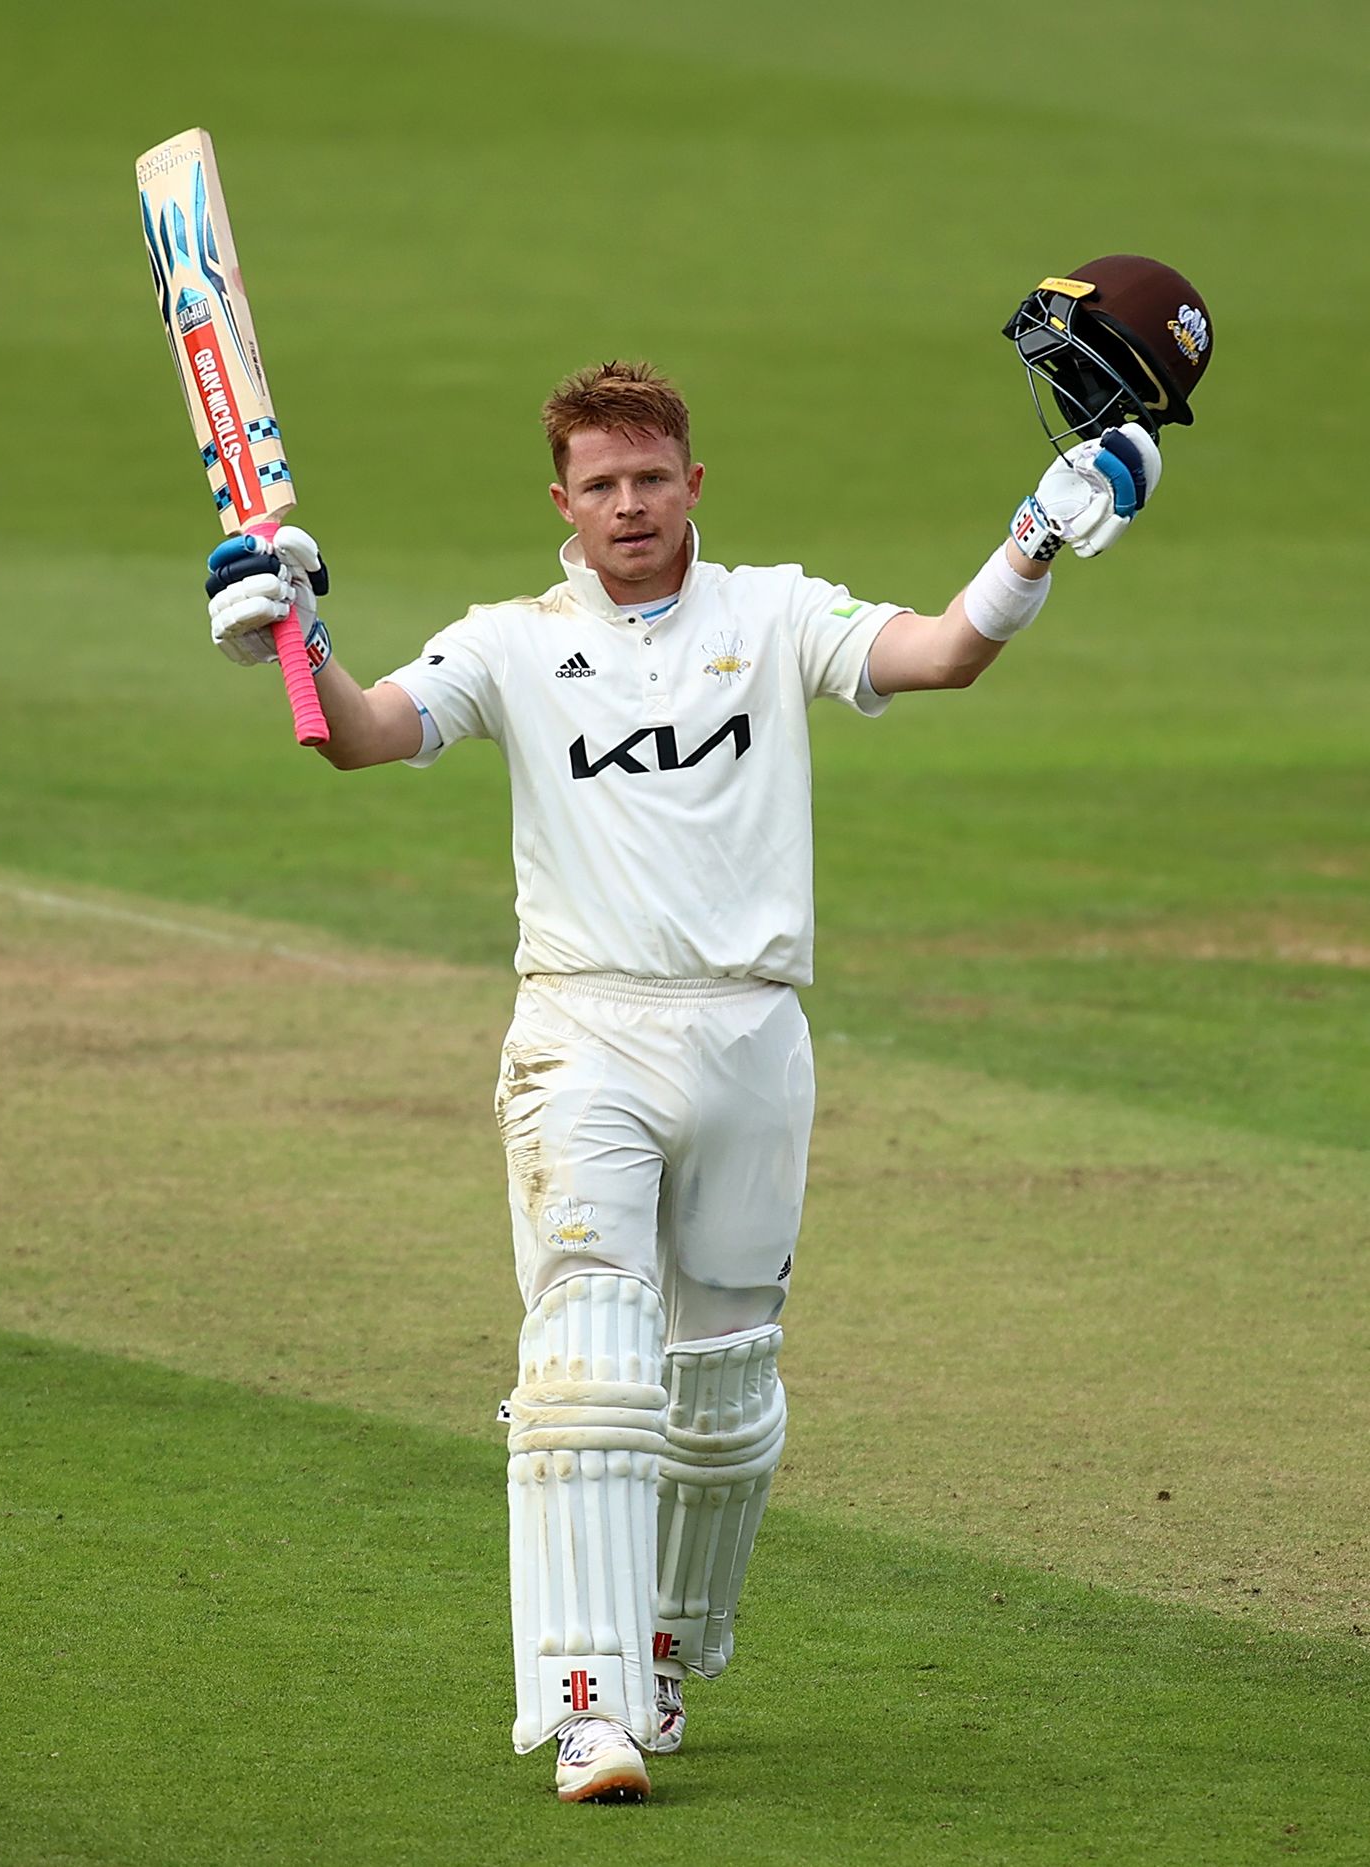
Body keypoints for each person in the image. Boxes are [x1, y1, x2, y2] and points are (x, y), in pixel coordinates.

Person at [204, 353, 1165, 1804]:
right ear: (564, 502)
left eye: (652, 478)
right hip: (582, 1034)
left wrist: (1036, 533)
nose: (631, 505)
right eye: (602, 485)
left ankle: (658, 1650)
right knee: (590, 1368)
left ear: (692, 482)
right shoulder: (511, 642)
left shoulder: (772, 613)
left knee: (721, 1401)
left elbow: (944, 651)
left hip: (754, 1037)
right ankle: (583, 1708)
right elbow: (363, 735)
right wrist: (293, 633)